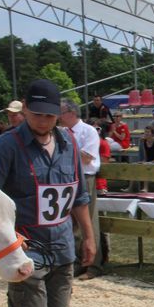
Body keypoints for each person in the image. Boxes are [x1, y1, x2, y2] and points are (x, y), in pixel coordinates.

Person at [0, 78, 95, 307]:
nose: (43, 121)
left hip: (62, 244)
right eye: (36, 115)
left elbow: (78, 195)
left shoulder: (68, 145)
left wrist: (88, 236)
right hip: (24, 246)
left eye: (49, 116)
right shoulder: (5, 147)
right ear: (25, 108)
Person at [59, 99, 103, 281]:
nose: (58, 116)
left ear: (71, 112)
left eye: (60, 112)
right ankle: (77, 262)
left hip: (85, 178)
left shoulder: (88, 131)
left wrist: (66, 149)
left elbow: (87, 158)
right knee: (70, 221)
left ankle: (94, 266)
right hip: (66, 177)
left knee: (89, 219)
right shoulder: (61, 132)